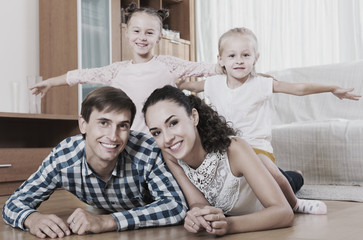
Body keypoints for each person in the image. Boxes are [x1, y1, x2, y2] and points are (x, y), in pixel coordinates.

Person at [178, 27, 362, 215]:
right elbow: (187, 85)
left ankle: (295, 202)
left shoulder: (261, 84)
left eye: (245, 55)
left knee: (270, 173)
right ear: (221, 60)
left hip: (256, 148)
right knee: (251, 187)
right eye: (232, 55)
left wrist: (332, 88)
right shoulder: (213, 83)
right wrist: (169, 79)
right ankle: (293, 175)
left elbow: (298, 88)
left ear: (255, 58)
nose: (239, 60)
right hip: (226, 150)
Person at [2, 86, 187, 239]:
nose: (113, 136)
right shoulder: (63, 158)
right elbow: (14, 203)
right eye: (104, 123)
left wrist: (107, 221)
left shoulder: (146, 151)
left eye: (122, 125)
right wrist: (32, 219)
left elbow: (175, 206)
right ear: (83, 124)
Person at [29, 3, 222, 133]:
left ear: (159, 36)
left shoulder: (169, 65)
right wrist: (50, 83)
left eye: (149, 32)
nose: (142, 37)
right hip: (131, 139)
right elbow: (82, 75)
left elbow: (204, 68)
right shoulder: (117, 70)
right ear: (127, 33)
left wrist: (227, 65)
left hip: (164, 140)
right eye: (136, 31)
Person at [142, 85, 295, 236]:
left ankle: (295, 176)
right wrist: (197, 214)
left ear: (194, 117)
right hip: (247, 185)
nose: (167, 138)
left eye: (173, 123)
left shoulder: (235, 149)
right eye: (156, 132)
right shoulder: (170, 155)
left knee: (283, 178)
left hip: (265, 188)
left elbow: (284, 213)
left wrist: (230, 225)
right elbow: (197, 201)